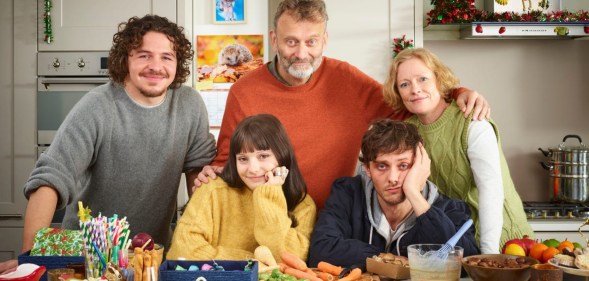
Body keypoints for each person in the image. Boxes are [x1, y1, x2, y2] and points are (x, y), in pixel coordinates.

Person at [195, 0, 491, 209]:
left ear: (324, 40)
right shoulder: (244, 90)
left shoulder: (347, 78)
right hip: (266, 222)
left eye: (311, 42)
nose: (301, 53)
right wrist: (213, 173)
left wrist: (455, 92)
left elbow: (408, 104)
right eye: (291, 42)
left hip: (333, 223)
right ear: (274, 39)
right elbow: (229, 162)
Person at [1, 14, 216, 272]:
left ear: (177, 63)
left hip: (148, 258)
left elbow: (199, 175)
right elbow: (51, 178)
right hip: (86, 259)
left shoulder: (190, 105)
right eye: (143, 55)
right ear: (126, 59)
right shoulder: (97, 106)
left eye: (166, 57)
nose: (156, 66)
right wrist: (32, 260)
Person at [382, 47, 533, 254]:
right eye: (405, 84)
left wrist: (488, 256)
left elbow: (490, 190)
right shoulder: (408, 132)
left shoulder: (472, 122)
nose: (415, 89)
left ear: (438, 79)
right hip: (457, 245)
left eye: (423, 79)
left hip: (504, 244)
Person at [307, 119, 480, 268]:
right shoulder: (347, 193)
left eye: (403, 166)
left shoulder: (451, 210)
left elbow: (464, 264)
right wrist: (388, 260)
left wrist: (413, 193)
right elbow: (320, 251)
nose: (393, 178)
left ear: (420, 166)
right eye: (382, 166)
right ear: (367, 168)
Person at [166, 114, 316, 261]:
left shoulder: (303, 205)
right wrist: (253, 265)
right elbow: (182, 251)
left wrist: (269, 195)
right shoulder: (212, 190)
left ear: (283, 156)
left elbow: (291, 259)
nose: (253, 169)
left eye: (263, 156)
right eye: (243, 159)